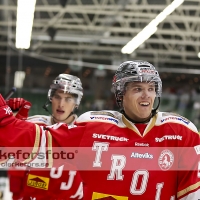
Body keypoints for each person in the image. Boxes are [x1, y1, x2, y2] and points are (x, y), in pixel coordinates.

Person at [0, 60, 199, 199]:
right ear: (120, 94)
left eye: (151, 88)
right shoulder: (94, 126)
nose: (146, 96)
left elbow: (192, 194)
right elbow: (35, 144)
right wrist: (7, 121)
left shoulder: (182, 132)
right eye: (137, 89)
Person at [7, 74, 84, 200]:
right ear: (51, 98)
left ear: (76, 103)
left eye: (68, 99)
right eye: (57, 97)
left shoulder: (87, 130)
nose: (61, 104)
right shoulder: (32, 125)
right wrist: (9, 123)